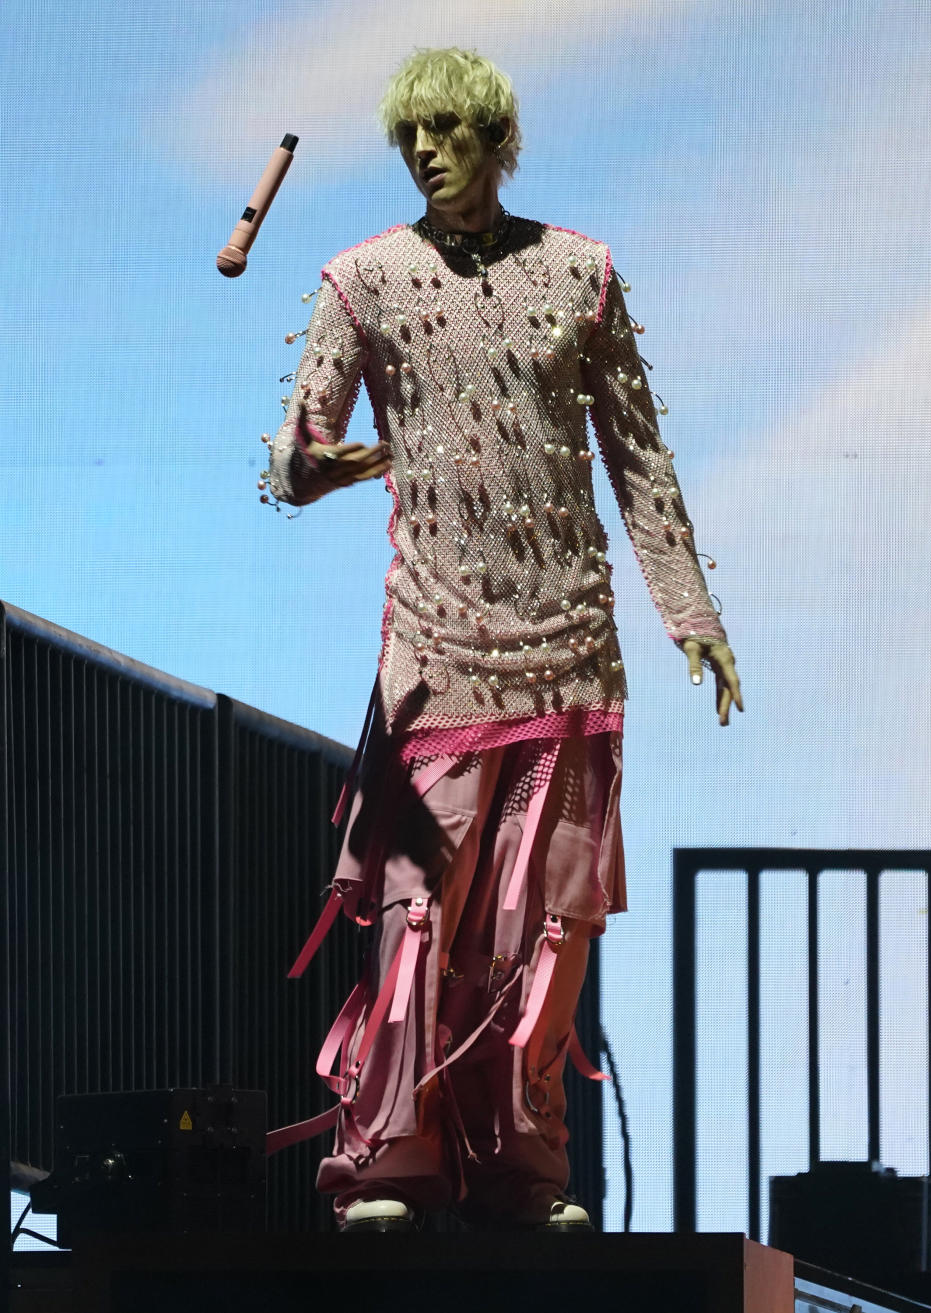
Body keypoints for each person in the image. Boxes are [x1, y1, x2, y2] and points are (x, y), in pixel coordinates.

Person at [266, 47, 742, 1233]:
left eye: (444, 128)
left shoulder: (581, 274)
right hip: (436, 650)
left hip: (570, 649)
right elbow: (291, 458)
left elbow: (639, 456)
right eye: (407, 135)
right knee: (419, 910)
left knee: (549, 929)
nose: (425, 150)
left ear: (494, 136)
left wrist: (693, 612)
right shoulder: (362, 280)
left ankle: (526, 1172)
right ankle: (385, 1161)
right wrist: (334, 464)